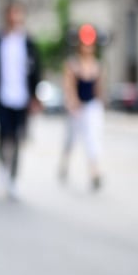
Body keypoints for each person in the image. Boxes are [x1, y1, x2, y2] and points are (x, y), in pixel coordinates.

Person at [0, 1, 42, 199]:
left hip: (21, 97)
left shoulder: (28, 43)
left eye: (18, 14)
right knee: (4, 134)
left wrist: (35, 96)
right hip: (1, 96)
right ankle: (1, 169)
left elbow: (36, 71)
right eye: (11, 13)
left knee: (18, 137)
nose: (14, 18)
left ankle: (13, 177)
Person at [58, 33, 105, 191]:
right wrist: (72, 102)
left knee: (92, 139)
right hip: (77, 107)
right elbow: (69, 85)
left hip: (91, 106)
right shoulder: (73, 64)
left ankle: (94, 171)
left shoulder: (96, 65)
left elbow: (98, 89)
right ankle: (64, 164)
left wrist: (100, 104)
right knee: (71, 140)